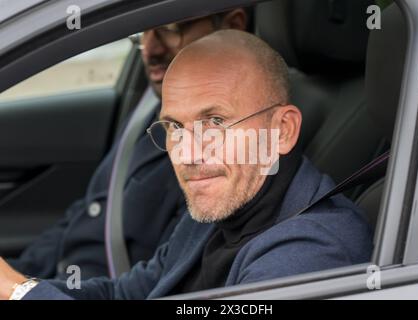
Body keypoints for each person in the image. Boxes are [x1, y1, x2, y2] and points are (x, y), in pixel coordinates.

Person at [0, 29, 373, 300]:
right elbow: (129, 294)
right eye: (175, 127)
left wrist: (22, 294)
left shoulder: (310, 252)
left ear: (283, 131)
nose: (189, 154)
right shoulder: (221, 207)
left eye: (215, 123)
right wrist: (23, 286)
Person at [6, 9, 249, 280]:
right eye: (142, 31)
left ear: (232, 26)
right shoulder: (151, 106)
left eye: (170, 28)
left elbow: (159, 285)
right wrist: (19, 275)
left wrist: (25, 291)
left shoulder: (230, 157)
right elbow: (92, 207)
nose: (150, 49)